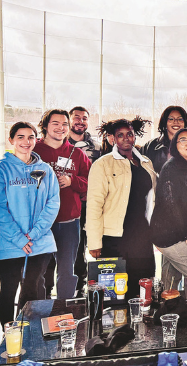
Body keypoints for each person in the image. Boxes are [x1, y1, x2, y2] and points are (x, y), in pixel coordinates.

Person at [0, 122, 59, 327]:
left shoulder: (45, 170)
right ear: (11, 140)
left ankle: (28, 334)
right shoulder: (0, 170)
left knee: (32, 289)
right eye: (20, 137)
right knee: (9, 289)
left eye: (31, 137)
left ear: (36, 140)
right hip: (8, 243)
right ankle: (9, 336)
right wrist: (18, 238)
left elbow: (53, 202)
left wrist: (34, 234)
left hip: (39, 242)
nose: (26, 142)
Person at [150, 128, 187, 344]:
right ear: (174, 146)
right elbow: (170, 203)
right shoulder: (171, 168)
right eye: (181, 140)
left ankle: (168, 331)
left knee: (171, 282)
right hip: (169, 234)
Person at [87, 117, 157, 300]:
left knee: (142, 286)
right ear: (112, 139)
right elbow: (94, 205)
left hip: (142, 235)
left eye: (130, 134)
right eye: (120, 135)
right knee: (115, 293)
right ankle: (118, 328)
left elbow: (153, 199)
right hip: (114, 238)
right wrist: (94, 242)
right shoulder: (102, 164)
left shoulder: (146, 163)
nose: (126, 139)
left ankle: (141, 326)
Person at [35, 109, 91, 300]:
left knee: (67, 270)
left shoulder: (77, 154)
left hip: (69, 221)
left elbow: (91, 181)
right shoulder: (34, 151)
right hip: (41, 222)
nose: (61, 128)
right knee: (38, 272)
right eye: (55, 123)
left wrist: (72, 181)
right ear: (45, 126)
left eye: (64, 124)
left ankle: (63, 310)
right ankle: (40, 309)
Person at [68, 106, 102, 296]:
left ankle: (97, 288)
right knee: (75, 248)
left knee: (96, 245)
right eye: (76, 117)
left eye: (84, 118)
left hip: (93, 205)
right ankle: (76, 287)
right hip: (70, 206)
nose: (80, 121)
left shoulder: (97, 147)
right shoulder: (61, 144)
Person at [142, 105, 187, 174]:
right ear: (165, 123)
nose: (176, 122)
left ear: (185, 123)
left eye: (180, 119)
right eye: (171, 119)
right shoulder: (151, 146)